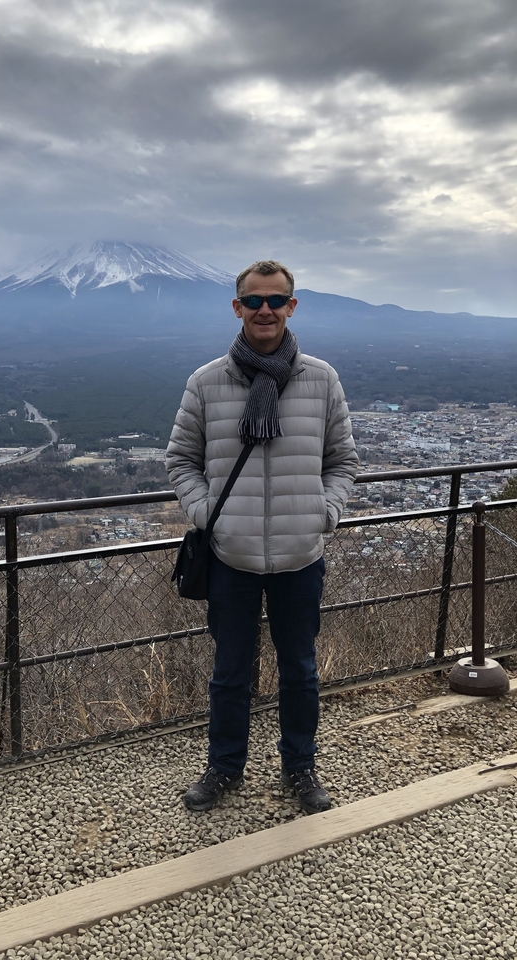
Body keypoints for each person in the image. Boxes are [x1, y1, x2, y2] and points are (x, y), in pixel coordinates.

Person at [165, 260, 358, 815]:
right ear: (237, 308)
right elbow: (181, 459)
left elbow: (342, 460)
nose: (265, 310)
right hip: (232, 554)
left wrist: (326, 512)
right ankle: (224, 767)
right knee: (229, 672)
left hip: (301, 554)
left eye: (276, 301)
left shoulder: (320, 380)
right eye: (254, 301)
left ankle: (300, 768)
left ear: (292, 306)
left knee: (300, 670)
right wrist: (207, 515)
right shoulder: (207, 383)